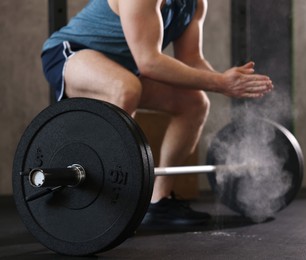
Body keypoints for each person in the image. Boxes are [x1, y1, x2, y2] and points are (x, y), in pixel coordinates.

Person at [41, 0, 273, 226]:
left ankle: (158, 202)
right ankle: (100, 195)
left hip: (124, 69)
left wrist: (227, 81)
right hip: (70, 54)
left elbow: (191, 59)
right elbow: (149, 62)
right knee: (125, 88)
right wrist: (220, 83)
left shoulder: (195, 4)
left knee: (194, 103)